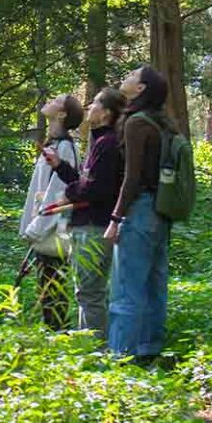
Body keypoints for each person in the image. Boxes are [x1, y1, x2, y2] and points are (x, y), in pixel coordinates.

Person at [104, 65, 177, 362]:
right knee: (154, 284)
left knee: (126, 286)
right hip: (162, 210)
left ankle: (120, 356)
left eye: (133, 75)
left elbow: (131, 178)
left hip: (141, 209)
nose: (127, 76)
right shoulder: (164, 124)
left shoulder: (136, 123)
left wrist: (116, 218)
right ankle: (150, 350)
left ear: (141, 88)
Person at [45, 85, 124, 337]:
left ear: (107, 113)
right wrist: (60, 167)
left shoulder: (107, 144)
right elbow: (85, 182)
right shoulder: (100, 142)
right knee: (88, 291)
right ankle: (89, 346)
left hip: (93, 227)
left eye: (96, 104)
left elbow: (95, 189)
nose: (90, 107)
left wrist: (68, 194)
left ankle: (93, 351)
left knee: (90, 292)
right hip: (90, 225)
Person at [19, 94, 83, 328]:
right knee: (46, 286)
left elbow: (59, 192)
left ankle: (58, 335)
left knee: (53, 287)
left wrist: (37, 227)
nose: (50, 100)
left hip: (54, 229)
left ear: (62, 114)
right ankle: (54, 334)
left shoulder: (66, 147)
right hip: (45, 227)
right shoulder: (54, 144)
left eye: (57, 100)